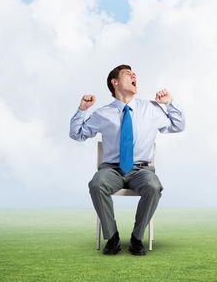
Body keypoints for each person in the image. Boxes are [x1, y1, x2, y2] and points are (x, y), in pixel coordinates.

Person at [69, 64, 185, 255]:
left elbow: (178, 126)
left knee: (153, 187)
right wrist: (82, 110)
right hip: (111, 170)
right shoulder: (102, 114)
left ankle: (137, 238)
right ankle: (112, 238)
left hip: (142, 170)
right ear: (115, 82)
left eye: (134, 74)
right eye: (128, 74)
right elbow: (77, 134)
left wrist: (169, 103)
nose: (134, 75)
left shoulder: (151, 109)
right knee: (97, 184)